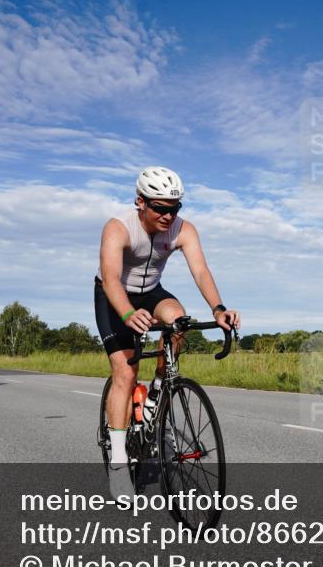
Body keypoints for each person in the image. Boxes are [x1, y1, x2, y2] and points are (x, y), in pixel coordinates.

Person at [95, 166, 240, 499]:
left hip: (152, 291)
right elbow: (111, 279)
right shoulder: (118, 227)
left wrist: (218, 309)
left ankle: (159, 393)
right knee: (125, 373)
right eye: (160, 207)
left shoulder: (183, 230)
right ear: (140, 203)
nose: (168, 215)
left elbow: (200, 270)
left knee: (179, 320)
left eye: (174, 208)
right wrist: (128, 314)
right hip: (113, 294)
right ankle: (119, 462)